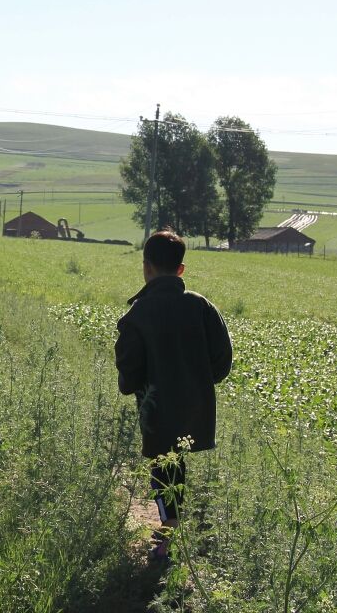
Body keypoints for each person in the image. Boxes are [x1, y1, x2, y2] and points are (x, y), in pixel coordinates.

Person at [114, 229, 232, 560]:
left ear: (146, 267)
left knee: (164, 466)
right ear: (181, 269)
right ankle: (172, 530)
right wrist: (198, 382)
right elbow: (223, 359)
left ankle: (169, 535)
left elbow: (128, 370)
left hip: (156, 408)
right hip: (196, 405)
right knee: (177, 464)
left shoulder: (137, 315)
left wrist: (136, 387)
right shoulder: (201, 306)